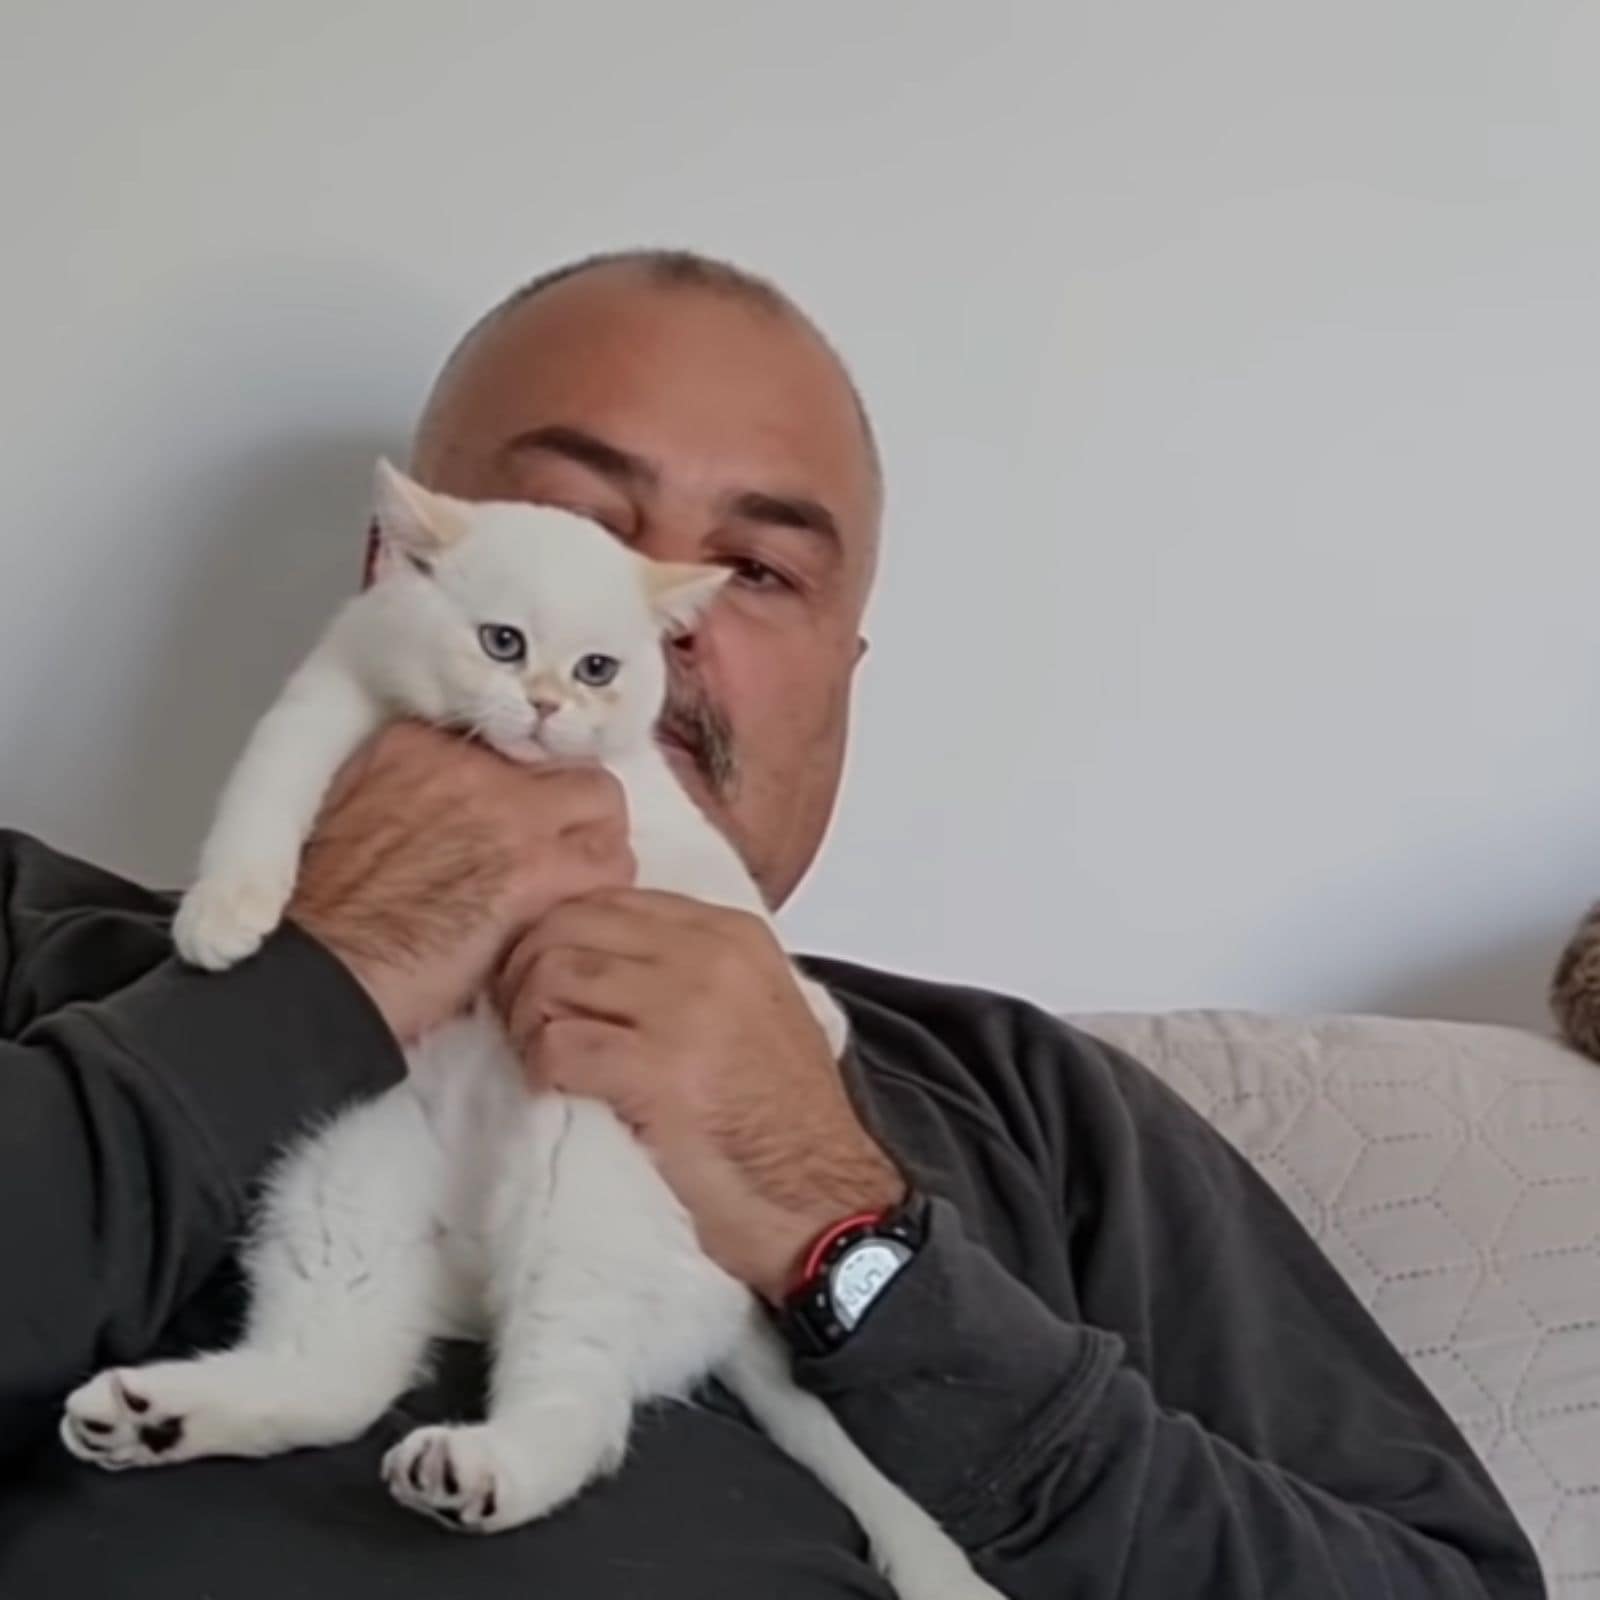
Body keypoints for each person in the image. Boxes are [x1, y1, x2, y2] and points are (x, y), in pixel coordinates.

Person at [0, 251, 1543, 1600]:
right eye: (559, 520)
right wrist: (322, 981)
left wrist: (846, 1242)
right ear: (399, 568)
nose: (642, 627)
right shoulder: (46, 948)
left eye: (756, 571)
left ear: (844, 677)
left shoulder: (1035, 1113)